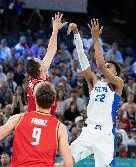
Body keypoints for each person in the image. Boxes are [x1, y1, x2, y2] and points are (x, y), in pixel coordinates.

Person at [57, 19, 124, 167]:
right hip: (88, 131)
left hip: (105, 134)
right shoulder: (94, 81)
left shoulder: (117, 84)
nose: (106, 67)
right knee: (65, 163)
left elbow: (100, 64)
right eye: (106, 66)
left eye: (110, 67)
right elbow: (83, 61)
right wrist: (76, 34)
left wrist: (95, 38)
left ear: (115, 73)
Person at [0, 81, 73, 167]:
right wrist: (56, 165)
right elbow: (68, 163)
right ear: (54, 102)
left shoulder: (18, 118)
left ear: (35, 100)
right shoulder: (59, 127)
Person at [26, 12, 67, 115]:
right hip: (39, 119)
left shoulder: (38, 76)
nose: (42, 60)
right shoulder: (40, 85)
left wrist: (55, 30)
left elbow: (51, 50)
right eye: (39, 60)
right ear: (40, 68)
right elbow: (42, 110)